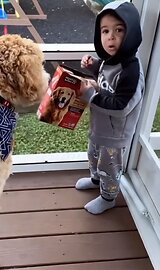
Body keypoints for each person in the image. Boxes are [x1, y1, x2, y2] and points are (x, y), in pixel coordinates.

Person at [76, 0, 143, 214]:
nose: (110, 37)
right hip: (100, 126)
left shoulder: (131, 70)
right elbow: (105, 78)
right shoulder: (109, 59)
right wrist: (93, 66)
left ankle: (108, 197)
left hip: (115, 134)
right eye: (105, 31)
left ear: (131, 32)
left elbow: (122, 105)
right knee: (93, 155)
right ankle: (96, 180)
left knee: (109, 166)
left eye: (119, 30)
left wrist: (91, 96)